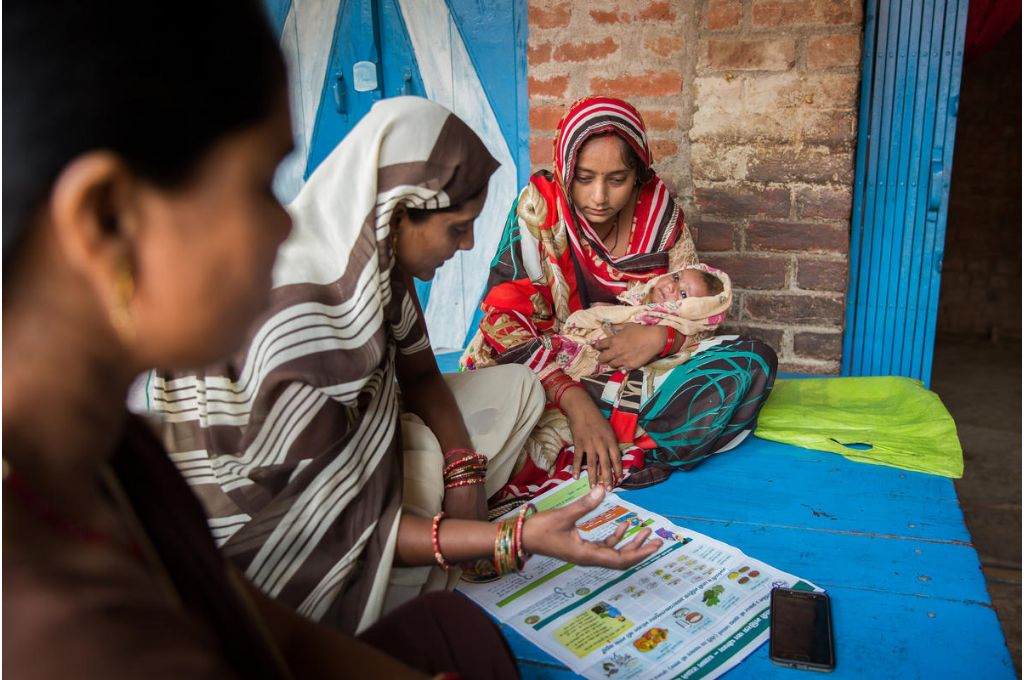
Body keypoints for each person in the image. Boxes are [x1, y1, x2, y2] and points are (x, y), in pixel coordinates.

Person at [3, 3, 571, 678]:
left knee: (451, 624)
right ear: (106, 220)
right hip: (330, 540)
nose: (284, 227)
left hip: (371, 485)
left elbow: (276, 637)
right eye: (255, 185)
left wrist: (462, 469)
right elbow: (303, 581)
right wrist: (506, 537)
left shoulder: (116, 460)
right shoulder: (63, 629)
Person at [144, 95, 663, 634]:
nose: (466, 246)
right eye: (456, 228)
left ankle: (441, 510)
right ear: (399, 211)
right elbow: (343, 530)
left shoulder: (372, 259)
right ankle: (423, 551)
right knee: (413, 494)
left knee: (518, 389)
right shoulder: (296, 331)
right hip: (278, 534)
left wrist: (463, 468)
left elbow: (418, 375)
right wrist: (514, 537)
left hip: (363, 437)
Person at [462, 96, 778, 499]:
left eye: (616, 180)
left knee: (752, 361)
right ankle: (626, 438)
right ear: (565, 170)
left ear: (638, 175)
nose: (599, 196)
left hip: (642, 371)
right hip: (555, 370)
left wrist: (662, 338)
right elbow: (503, 320)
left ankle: (628, 442)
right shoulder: (539, 210)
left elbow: (696, 311)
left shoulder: (660, 217)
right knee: (495, 412)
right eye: (584, 177)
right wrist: (573, 399)